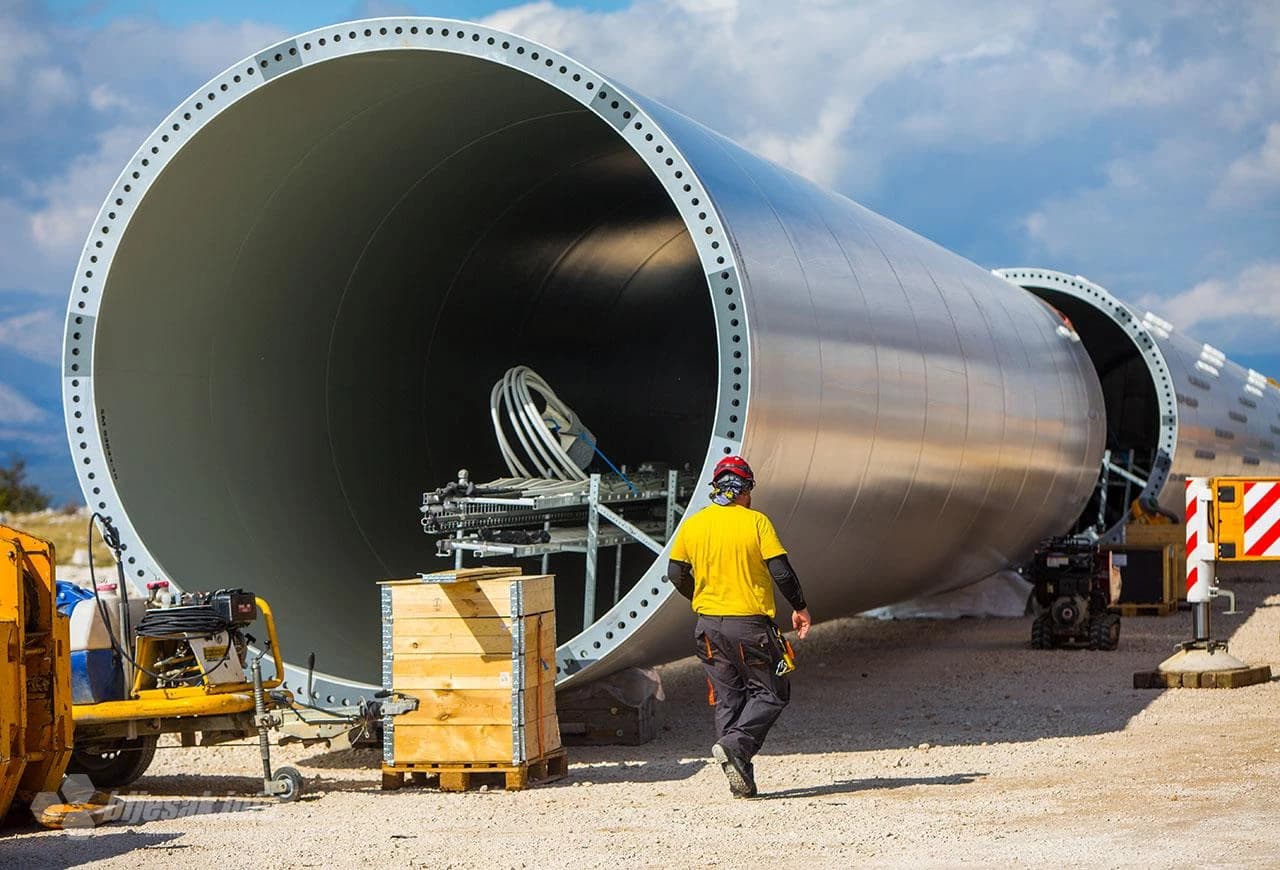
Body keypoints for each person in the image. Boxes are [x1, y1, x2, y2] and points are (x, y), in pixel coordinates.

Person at [667, 455, 811, 798]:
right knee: (772, 692)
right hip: (748, 626)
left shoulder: (694, 524)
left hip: (708, 627)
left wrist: (702, 596)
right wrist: (800, 607)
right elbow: (781, 572)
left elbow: (675, 573)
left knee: (729, 699)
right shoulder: (756, 523)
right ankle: (736, 745)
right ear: (745, 490)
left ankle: (740, 778)